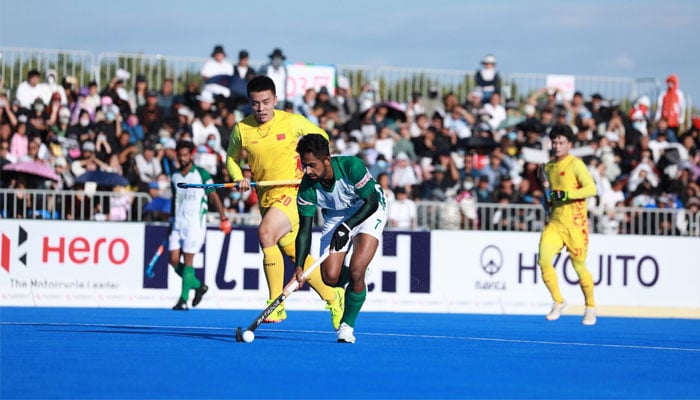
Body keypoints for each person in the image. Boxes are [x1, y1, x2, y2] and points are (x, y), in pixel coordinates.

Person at [225, 75, 344, 328]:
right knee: (294, 255)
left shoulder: (291, 122)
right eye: (255, 103)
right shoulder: (242, 129)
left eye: (266, 102)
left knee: (266, 233)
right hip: (266, 199)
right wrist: (239, 179)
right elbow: (231, 159)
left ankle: (275, 305)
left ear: (275, 100)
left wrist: (309, 165)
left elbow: (321, 138)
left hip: (293, 193)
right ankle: (334, 297)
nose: (261, 109)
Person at [293, 133, 387, 343]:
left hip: (368, 210)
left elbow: (371, 203)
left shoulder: (351, 166)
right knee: (330, 278)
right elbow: (305, 230)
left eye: (312, 165)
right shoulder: (307, 188)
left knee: (356, 269)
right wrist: (299, 266)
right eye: (304, 165)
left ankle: (346, 326)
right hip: (336, 215)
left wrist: (347, 226)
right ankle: (357, 279)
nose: (307, 171)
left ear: (327, 159)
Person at [538, 124, 598, 325]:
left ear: (569, 144)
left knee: (579, 266)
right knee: (544, 260)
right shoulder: (548, 167)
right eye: (554, 142)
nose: (556, 146)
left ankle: (590, 307)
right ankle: (558, 301)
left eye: (561, 142)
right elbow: (549, 193)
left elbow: (591, 189)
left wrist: (567, 194)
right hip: (555, 223)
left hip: (575, 225)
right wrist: (547, 200)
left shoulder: (575, 164)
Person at [168, 140, 231, 310]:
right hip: (177, 224)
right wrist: (170, 221)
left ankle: (183, 299)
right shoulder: (174, 175)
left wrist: (223, 217)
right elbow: (175, 200)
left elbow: (214, 195)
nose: (182, 158)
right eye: (179, 155)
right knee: (173, 261)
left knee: (188, 262)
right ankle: (199, 286)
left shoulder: (201, 174)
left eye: (185, 155)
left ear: (191, 155)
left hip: (195, 225)